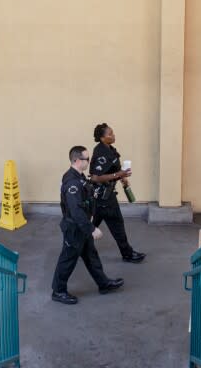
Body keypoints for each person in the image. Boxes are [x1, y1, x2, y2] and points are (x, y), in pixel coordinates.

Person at [51, 145, 124, 305]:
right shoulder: (73, 183)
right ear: (77, 160)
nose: (89, 161)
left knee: (91, 257)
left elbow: (87, 197)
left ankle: (103, 284)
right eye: (87, 159)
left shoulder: (80, 177)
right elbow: (75, 210)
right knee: (68, 259)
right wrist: (91, 228)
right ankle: (58, 291)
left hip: (82, 227)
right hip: (75, 228)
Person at [89, 123, 146, 263]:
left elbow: (114, 170)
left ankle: (75, 248)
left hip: (103, 197)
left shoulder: (111, 149)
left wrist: (123, 177)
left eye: (113, 132)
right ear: (102, 138)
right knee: (117, 225)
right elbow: (95, 177)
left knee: (90, 225)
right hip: (103, 197)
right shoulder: (100, 152)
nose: (113, 135)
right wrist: (118, 174)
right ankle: (127, 254)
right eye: (110, 134)